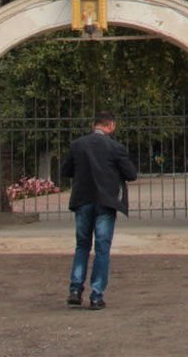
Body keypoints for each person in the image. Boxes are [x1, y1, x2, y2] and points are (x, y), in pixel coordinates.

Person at [61, 110, 138, 309]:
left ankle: (75, 289)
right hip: (105, 202)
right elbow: (131, 174)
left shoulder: (78, 145)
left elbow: (65, 171)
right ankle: (96, 294)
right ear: (111, 125)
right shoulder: (115, 147)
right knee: (102, 248)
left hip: (82, 200)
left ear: (93, 125)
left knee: (82, 245)